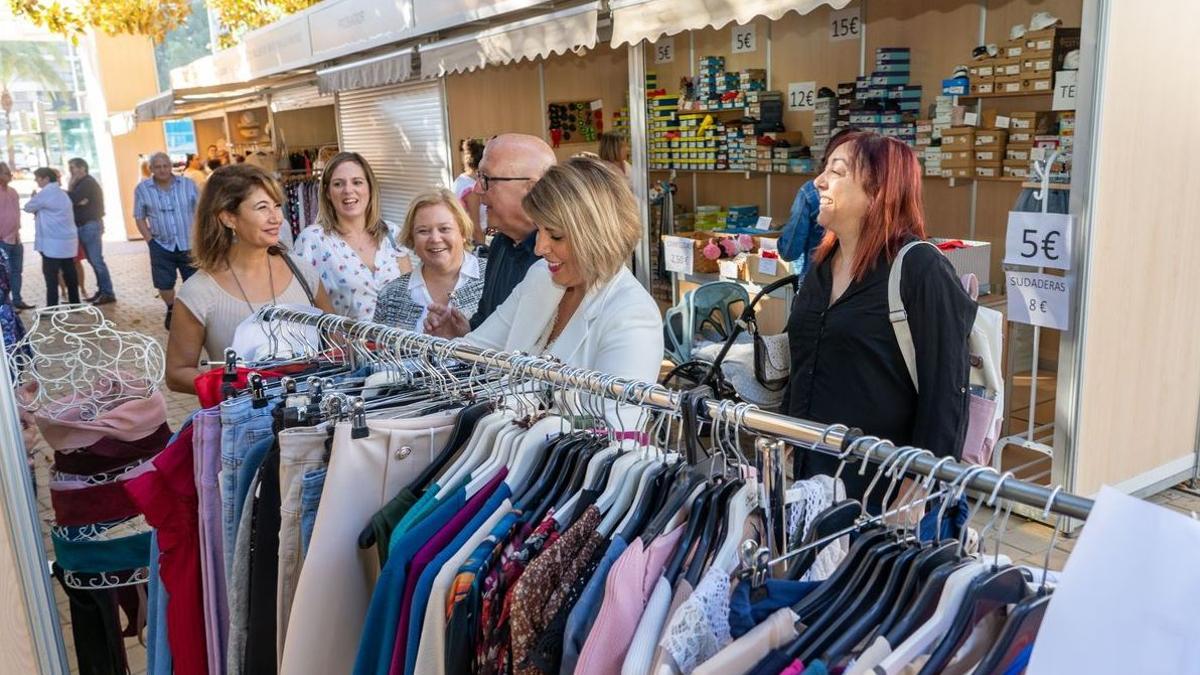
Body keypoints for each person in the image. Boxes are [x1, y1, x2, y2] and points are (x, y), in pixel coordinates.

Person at [782, 131, 977, 512]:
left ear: (877, 191)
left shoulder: (919, 268)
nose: (819, 181)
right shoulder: (822, 268)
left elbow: (947, 392)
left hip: (881, 490)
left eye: (836, 172)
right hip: (813, 477)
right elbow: (804, 359)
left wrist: (920, 484)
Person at [425, 157, 663, 423]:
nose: (539, 248)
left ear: (598, 236)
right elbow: (476, 349)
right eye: (539, 230)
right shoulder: (540, 277)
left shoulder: (632, 315)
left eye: (556, 235)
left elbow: (615, 426)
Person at [166, 165, 332, 394]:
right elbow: (176, 373)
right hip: (246, 424)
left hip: (316, 419)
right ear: (228, 218)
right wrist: (234, 385)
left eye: (276, 206)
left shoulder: (303, 272)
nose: (276, 218)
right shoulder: (199, 292)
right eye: (262, 207)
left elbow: (337, 341)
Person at [426, 133, 556, 334]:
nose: (477, 189)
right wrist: (465, 331)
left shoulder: (560, 259)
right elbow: (489, 323)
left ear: (533, 188)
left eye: (486, 178)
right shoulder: (500, 244)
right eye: (478, 177)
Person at [292, 152, 408, 320]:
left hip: (400, 343)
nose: (348, 190)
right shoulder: (312, 240)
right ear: (327, 192)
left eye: (357, 182)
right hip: (344, 345)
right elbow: (301, 307)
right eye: (338, 184)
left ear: (369, 187)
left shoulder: (391, 233)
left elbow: (410, 298)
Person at [374, 189, 486, 333]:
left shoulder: (493, 278)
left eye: (444, 229)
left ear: (463, 232)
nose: (435, 238)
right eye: (423, 231)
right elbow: (376, 353)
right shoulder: (390, 296)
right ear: (411, 238)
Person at [777, 126, 861, 276]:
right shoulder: (877, 194)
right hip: (858, 282)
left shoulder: (810, 192)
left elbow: (790, 251)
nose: (819, 183)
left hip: (817, 281)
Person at [134, 151, 201, 329]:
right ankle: (171, 309)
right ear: (151, 169)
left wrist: (200, 236)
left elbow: (201, 211)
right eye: (157, 166)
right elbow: (139, 216)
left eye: (165, 166)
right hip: (161, 244)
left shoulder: (188, 184)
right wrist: (150, 241)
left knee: (195, 281)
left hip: (189, 243)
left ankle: (194, 312)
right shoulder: (142, 189)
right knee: (164, 283)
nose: (162, 170)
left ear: (171, 167)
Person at [23, 168, 79, 306]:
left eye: (38, 178)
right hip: (67, 241)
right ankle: (75, 303)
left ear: (46, 179)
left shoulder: (46, 193)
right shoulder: (61, 193)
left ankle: (52, 307)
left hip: (53, 243)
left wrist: (36, 202)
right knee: (70, 274)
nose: (36, 181)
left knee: (51, 277)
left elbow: (28, 207)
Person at [66, 158, 116, 305]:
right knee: (93, 261)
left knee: (97, 261)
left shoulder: (87, 183)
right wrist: (76, 202)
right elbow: (75, 202)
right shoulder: (81, 184)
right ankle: (102, 290)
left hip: (90, 226)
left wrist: (70, 190)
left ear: (82, 168)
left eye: (72, 168)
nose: (71, 172)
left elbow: (73, 199)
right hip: (85, 226)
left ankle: (108, 292)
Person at [0, 163, 30, 310]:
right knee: (3, 275)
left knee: (17, 271)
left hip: (16, 239)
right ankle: (5, 304)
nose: (10, 176)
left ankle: (17, 300)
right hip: (2, 240)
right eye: (6, 173)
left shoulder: (13, 191)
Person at [452, 138, 486, 244]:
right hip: (470, 241)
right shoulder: (472, 190)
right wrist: (483, 249)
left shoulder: (461, 179)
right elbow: (475, 227)